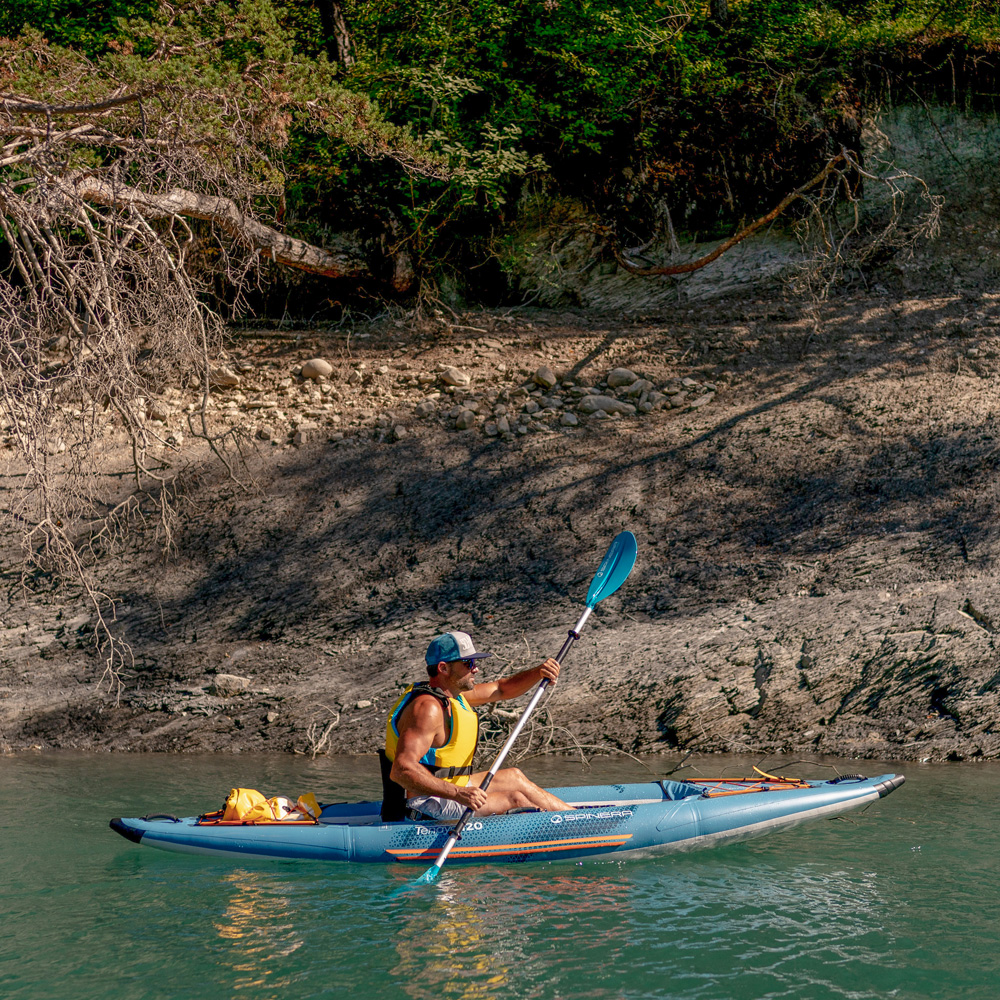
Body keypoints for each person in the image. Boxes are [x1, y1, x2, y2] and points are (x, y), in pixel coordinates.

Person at [380, 630, 570, 822]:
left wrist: (538, 672)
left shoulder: (454, 695)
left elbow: (501, 689)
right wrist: (458, 793)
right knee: (515, 799)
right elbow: (401, 770)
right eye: (468, 663)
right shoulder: (427, 708)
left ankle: (574, 817)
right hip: (424, 803)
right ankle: (569, 825)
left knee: (514, 777)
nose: (476, 669)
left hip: (452, 787)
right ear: (443, 668)